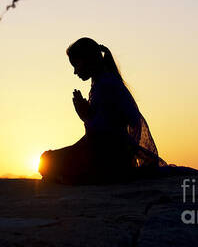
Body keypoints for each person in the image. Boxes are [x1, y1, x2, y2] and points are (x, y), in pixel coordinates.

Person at [38, 37, 167, 185]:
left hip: (110, 159)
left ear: (87, 60)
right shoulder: (102, 83)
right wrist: (88, 114)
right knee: (47, 160)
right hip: (104, 154)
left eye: (76, 65)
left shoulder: (106, 85)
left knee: (48, 161)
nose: (75, 72)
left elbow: (104, 135)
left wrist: (85, 115)